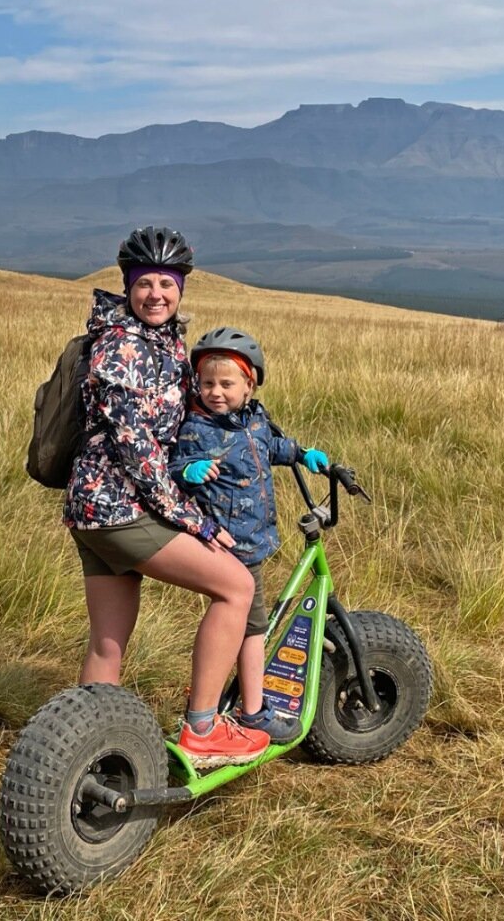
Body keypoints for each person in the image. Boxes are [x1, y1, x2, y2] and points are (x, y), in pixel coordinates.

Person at [64, 226, 269, 768]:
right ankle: (203, 729)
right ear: (128, 287)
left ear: (181, 288)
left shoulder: (165, 341)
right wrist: (195, 523)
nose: (156, 293)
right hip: (120, 510)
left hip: (94, 513)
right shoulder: (123, 346)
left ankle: (86, 755)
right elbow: (137, 451)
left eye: (167, 283)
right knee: (236, 586)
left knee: (108, 643)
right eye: (145, 283)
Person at [170, 327, 330, 744]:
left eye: (226, 384)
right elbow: (172, 468)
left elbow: (271, 447)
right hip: (228, 544)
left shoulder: (253, 420)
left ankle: (232, 696)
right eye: (207, 384)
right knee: (253, 628)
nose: (215, 392)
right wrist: (189, 472)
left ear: (249, 384)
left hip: (254, 539)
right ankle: (254, 711)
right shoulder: (196, 428)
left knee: (247, 624)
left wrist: (302, 453)